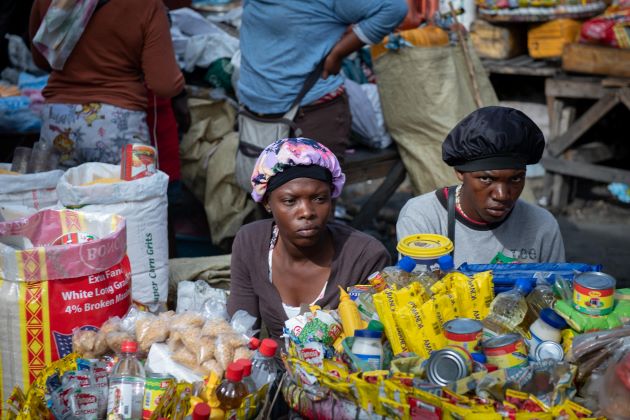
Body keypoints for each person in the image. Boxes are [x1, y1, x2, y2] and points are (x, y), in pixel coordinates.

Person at [228, 137, 391, 340]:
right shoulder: (250, 242)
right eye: (290, 201)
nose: (306, 212)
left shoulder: (365, 257)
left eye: (319, 199)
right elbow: (240, 334)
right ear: (267, 203)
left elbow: (372, 345)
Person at [397, 106, 565, 266]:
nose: (502, 195)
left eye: (515, 179)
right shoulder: (423, 219)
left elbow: (558, 290)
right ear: (460, 172)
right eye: (486, 179)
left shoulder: (542, 225)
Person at [237, 0, 408, 158]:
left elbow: (393, 8)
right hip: (256, 115)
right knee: (262, 187)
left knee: (306, 189)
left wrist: (338, 53)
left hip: (310, 114)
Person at [29, 0, 185, 168]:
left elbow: (42, 59)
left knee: (56, 192)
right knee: (128, 193)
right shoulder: (146, 4)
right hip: (119, 124)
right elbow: (164, 85)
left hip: (58, 121)